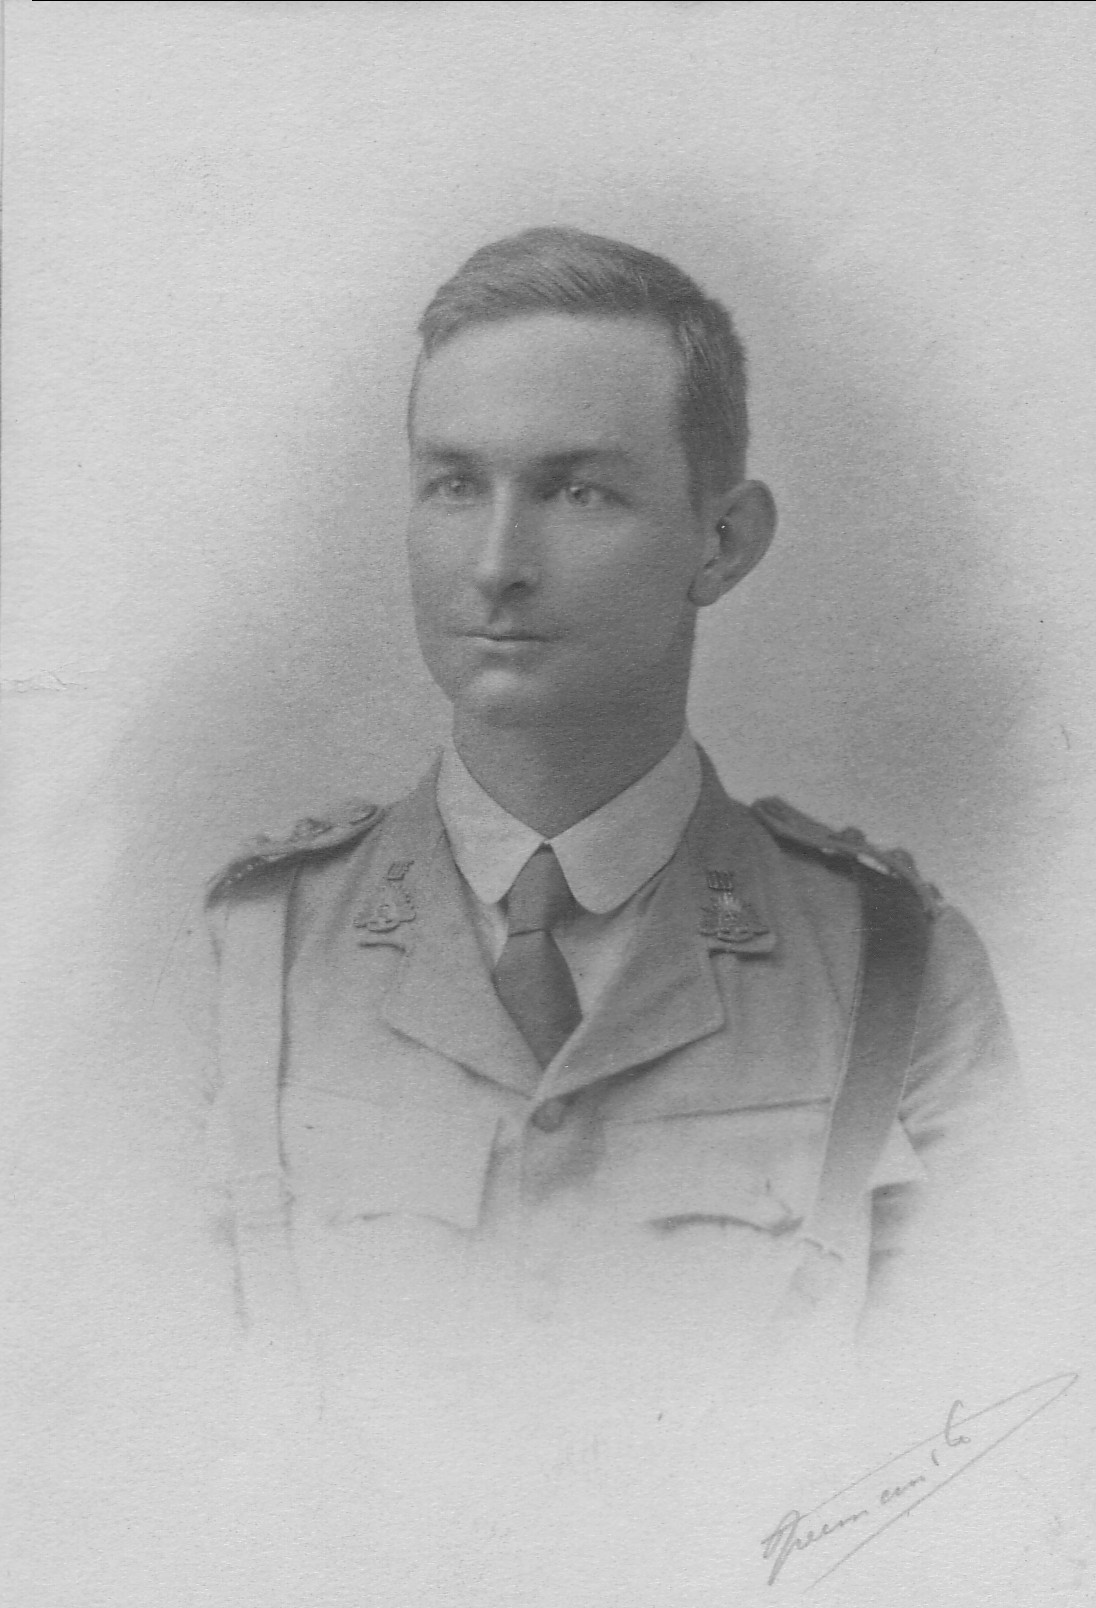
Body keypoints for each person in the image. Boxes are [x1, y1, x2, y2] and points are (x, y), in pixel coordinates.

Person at [201, 227, 1026, 1414]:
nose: (496, 563)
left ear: (722, 543)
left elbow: (978, 1422)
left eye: (577, 491)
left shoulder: (893, 967)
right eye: (454, 484)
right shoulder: (252, 956)